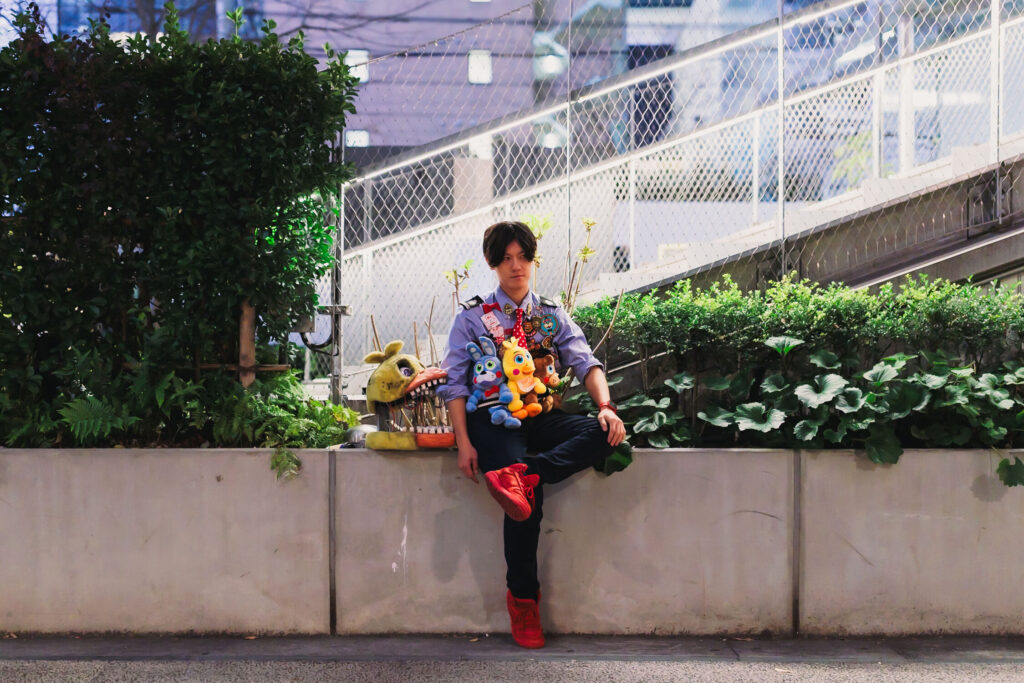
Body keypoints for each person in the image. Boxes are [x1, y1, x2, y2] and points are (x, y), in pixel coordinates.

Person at [435, 220, 626, 649]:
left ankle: (528, 474)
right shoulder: (473, 317)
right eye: (506, 259)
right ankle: (523, 603)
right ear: (493, 264)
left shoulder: (551, 314)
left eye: (522, 257)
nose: (516, 266)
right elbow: (455, 384)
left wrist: (606, 407)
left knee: (606, 433)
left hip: (540, 415)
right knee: (526, 510)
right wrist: (464, 443)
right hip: (492, 419)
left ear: (533, 260)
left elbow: (586, 363)